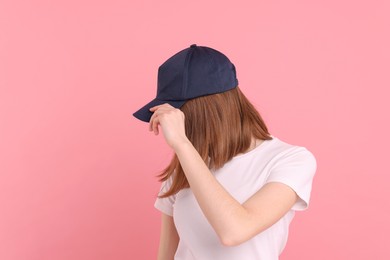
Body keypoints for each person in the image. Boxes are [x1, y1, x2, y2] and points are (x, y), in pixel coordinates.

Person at [133, 44, 317, 260]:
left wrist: (183, 145)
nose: (174, 127)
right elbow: (167, 255)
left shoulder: (289, 160)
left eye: (179, 116)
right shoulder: (186, 164)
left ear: (206, 112)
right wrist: (185, 152)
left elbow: (235, 231)